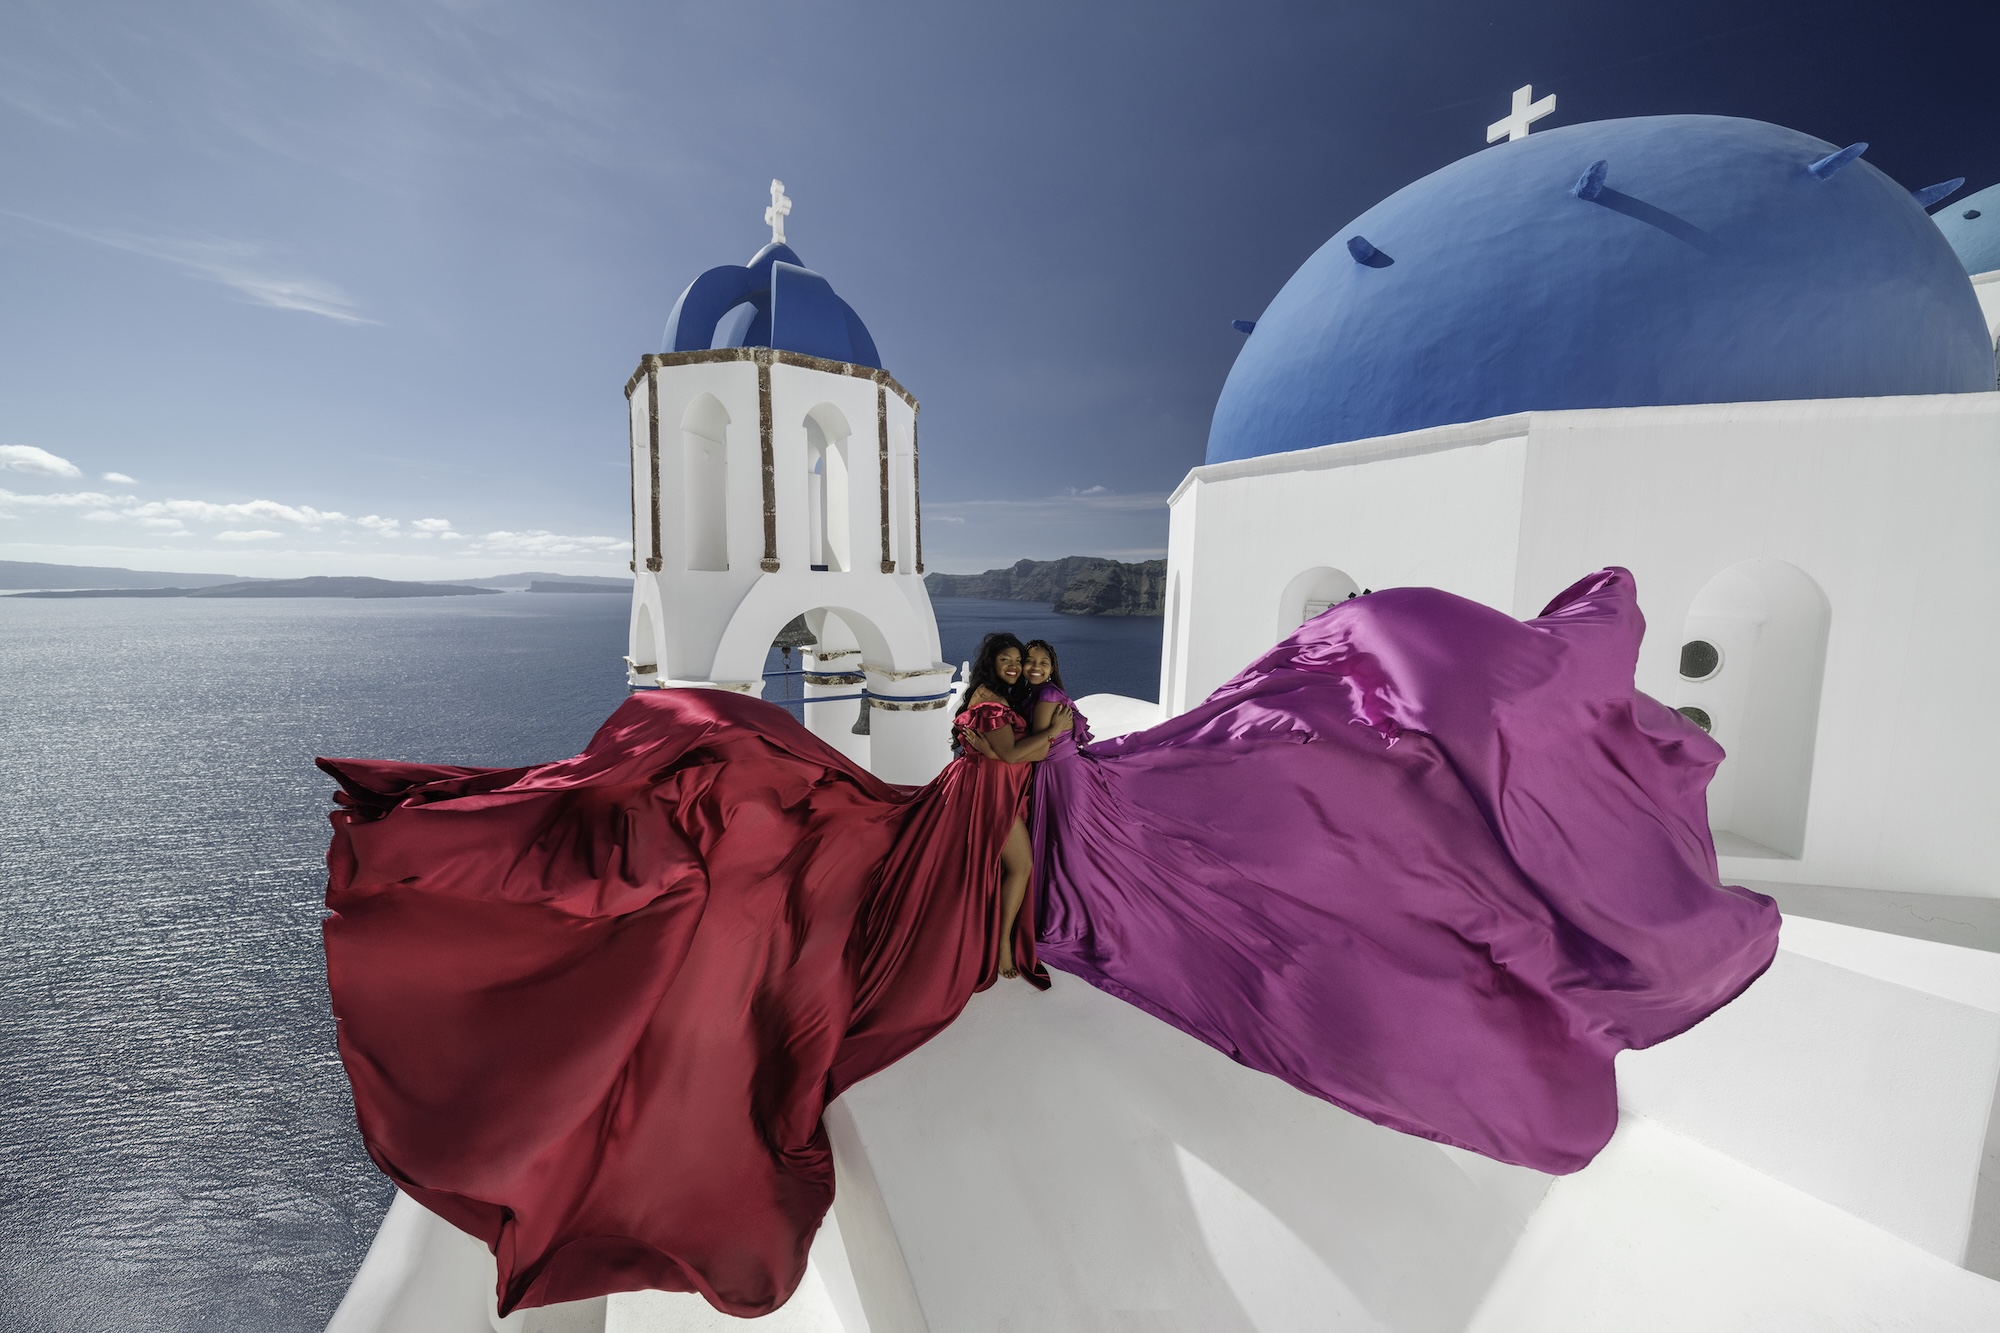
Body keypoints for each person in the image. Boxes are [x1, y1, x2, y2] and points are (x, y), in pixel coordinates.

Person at [317, 568, 1779, 1320]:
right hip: (998, 862)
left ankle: (480, 849)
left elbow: (1016, 817)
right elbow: (1010, 825)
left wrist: (1023, 843)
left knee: (734, 797)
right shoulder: (1018, 742)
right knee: (718, 777)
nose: (1022, 675)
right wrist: (1019, 879)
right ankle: (476, 845)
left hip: (1009, 858)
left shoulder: (1016, 740)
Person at [946, 632, 1071, 981]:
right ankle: (1002, 942)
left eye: (1019, 660)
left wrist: (995, 751)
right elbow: (1017, 754)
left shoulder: (998, 697)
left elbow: (1034, 753)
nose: (1016, 666)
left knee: (1006, 867)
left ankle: (998, 935)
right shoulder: (990, 704)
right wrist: (1053, 730)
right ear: (992, 662)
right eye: (1006, 659)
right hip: (992, 794)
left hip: (1002, 789)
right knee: (1021, 865)